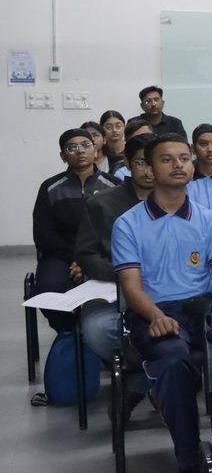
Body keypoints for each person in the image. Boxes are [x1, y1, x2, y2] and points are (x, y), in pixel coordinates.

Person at [112, 133, 212, 473]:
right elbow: (131, 287)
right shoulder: (128, 224)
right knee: (175, 361)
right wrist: (156, 315)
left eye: (184, 158)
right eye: (167, 159)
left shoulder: (209, 220)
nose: (179, 165)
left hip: (203, 308)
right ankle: (190, 464)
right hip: (155, 311)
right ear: (148, 168)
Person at [75, 134, 156, 374]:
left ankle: (146, 380)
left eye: (155, 162)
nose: (149, 171)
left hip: (165, 286)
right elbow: (86, 254)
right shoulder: (101, 204)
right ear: (128, 163)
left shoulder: (176, 202)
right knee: (97, 329)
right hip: (116, 287)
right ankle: (145, 373)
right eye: (142, 162)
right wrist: (122, 274)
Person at [32, 128, 122, 332]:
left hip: (103, 253)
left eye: (85, 145)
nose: (80, 151)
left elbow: (119, 228)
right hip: (61, 256)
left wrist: (90, 259)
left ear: (96, 151)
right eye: (72, 148)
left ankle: (100, 336)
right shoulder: (51, 187)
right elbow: (44, 234)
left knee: (120, 289)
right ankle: (69, 334)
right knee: (50, 290)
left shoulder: (114, 186)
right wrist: (77, 258)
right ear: (63, 156)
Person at [100, 110, 127, 175]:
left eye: (118, 126)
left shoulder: (131, 149)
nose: (114, 130)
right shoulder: (100, 154)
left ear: (124, 127)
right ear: (101, 129)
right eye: (108, 127)